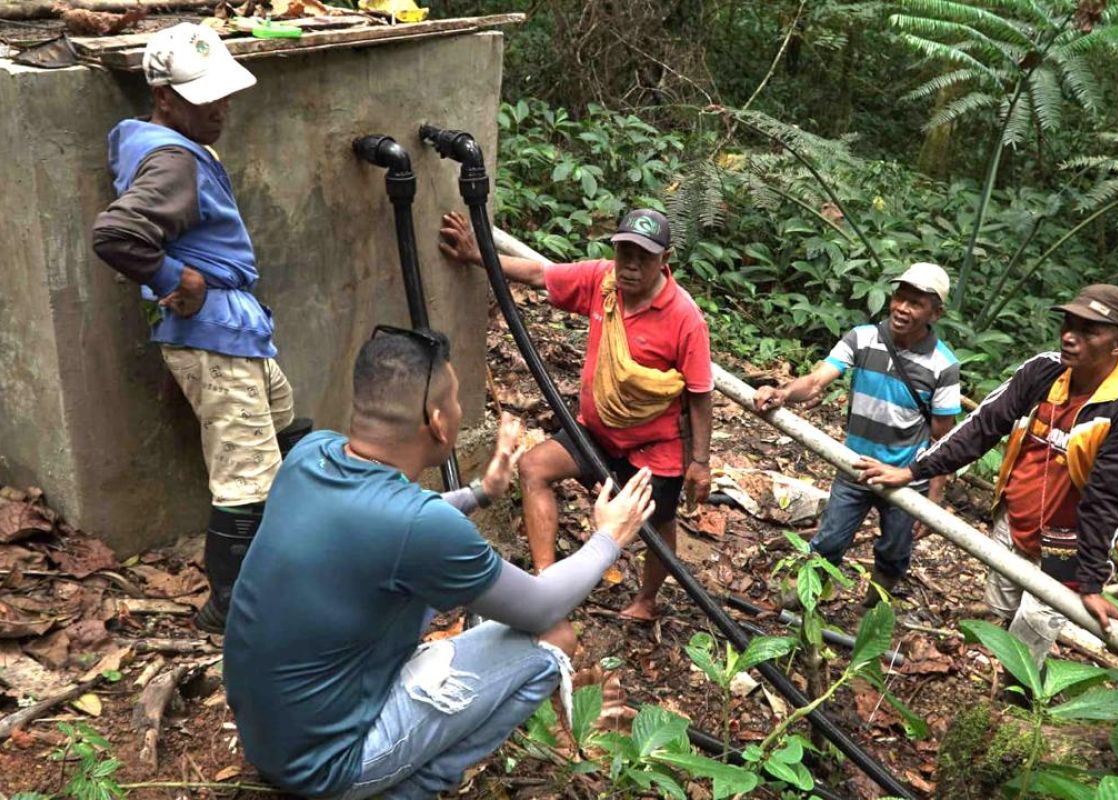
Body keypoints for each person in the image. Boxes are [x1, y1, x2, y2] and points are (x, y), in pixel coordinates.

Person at [223, 328, 655, 799]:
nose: (459, 410)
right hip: (329, 768)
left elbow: (389, 527)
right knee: (552, 640)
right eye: (454, 400)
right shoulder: (416, 526)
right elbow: (541, 607)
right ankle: (413, 789)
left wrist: (479, 493)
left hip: (269, 739)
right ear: (437, 421)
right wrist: (608, 537)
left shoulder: (311, 453)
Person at [91, 23, 309, 634]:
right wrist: (170, 277)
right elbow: (115, 234)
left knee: (287, 425)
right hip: (215, 334)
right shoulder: (172, 161)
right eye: (202, 97)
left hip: (236, 330)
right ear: (163, 95)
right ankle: (232, 607)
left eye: (221, 93)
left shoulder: (173, 145)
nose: (219, 108)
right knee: (245, 480)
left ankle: (299, 543)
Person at [859, 284, 1118, 666]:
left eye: (1088, 331)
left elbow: (1111, 498)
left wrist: (1091, 580)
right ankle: (996, 678)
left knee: (1034, 623)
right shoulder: (1043, 371)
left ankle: (1017, 701)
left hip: (1068, 539)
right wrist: (914, 470)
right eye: (1069, 323)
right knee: (1001, 607)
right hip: (1014, 517)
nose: (1070, 336)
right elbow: (983, 425)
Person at [439, 208, 713, 621]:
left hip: (654, 447)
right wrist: (476, 255)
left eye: (644, 257)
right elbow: (539, 275)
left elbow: (699, 393)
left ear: (665, 259)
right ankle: (547, 584)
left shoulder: (684, 318)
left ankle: (646, 599)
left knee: (657, 521)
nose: (631, 266)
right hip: (596, 432)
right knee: (533, 468)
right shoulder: (602, 283)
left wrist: (701, 462)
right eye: (625, 253)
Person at [755, 263, 961, 605]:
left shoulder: (944, 365)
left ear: (935, 313)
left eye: (916, 304)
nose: (902, 308)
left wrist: (934, 499)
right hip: (856, 467)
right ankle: (802, 605)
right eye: (899, 297)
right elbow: (817, 379)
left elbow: (942, 438)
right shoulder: (862, 338)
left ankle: (872, 613)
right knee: (829, 541)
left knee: (895, 551)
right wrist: (782, 393)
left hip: (905, 481)